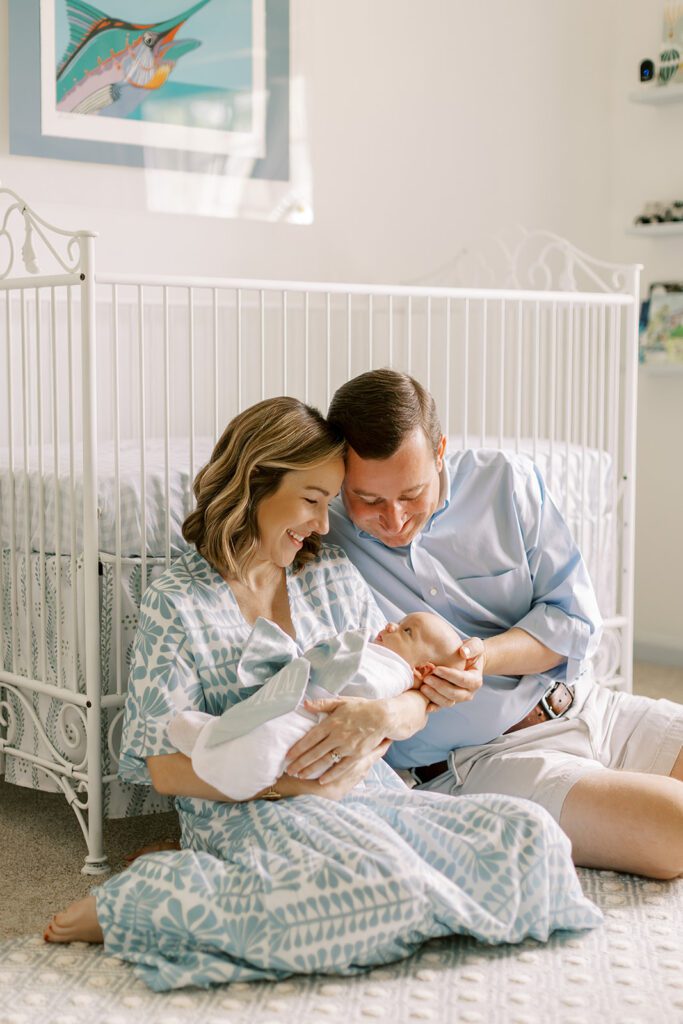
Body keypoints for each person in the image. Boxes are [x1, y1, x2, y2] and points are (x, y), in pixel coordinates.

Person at [43, 396, 601, 991]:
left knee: (531, 838)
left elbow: (412, 690)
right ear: (255, 482)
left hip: (371, 793)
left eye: (329, 504)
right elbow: (160, 767)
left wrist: (385, 714)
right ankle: (145, 902)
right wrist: (293, 783)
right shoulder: (177, 601)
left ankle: (281, 897)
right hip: (253, 812)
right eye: (312, 501)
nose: (323, 524)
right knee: (375, 892)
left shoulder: (331, 573)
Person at [292, 368, 683, 881]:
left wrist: (482, 658)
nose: (393, 519)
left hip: (584, 703)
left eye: (411, 494)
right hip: (481, 762)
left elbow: (574, 620)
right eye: (368, 500)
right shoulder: (324, 536)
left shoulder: (506, 482)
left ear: (440, 452)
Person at [167, 611, 467, 800]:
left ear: (422, 671)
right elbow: (161, 771)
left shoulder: (390, 670)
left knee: (278, 737)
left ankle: (246, 762)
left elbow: (378, 695)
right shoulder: (178, 601)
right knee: (257, 721)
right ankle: (215, 737)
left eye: (406, 631)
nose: (389, 624)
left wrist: (392, 710)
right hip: (293, 715)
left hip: (315, 726)